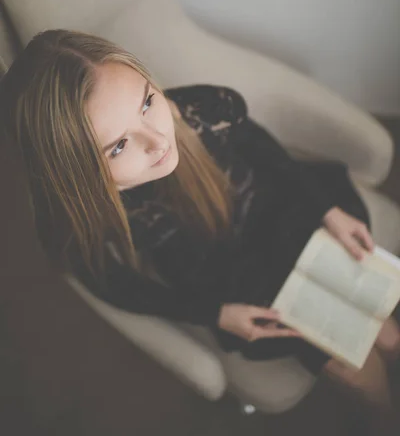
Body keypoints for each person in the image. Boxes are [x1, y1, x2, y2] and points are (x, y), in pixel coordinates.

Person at [1, 29, 399, 428]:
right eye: (119, 145)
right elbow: (116, 285)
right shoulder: (84, 220)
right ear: (78, 173)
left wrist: (324, 207)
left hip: (279, 216)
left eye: (147, 102)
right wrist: (215, 313)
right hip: (233, 276)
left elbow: (262, 149)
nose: (158, 141)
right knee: (355, 368)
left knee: (386, 333)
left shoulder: (202, 111)